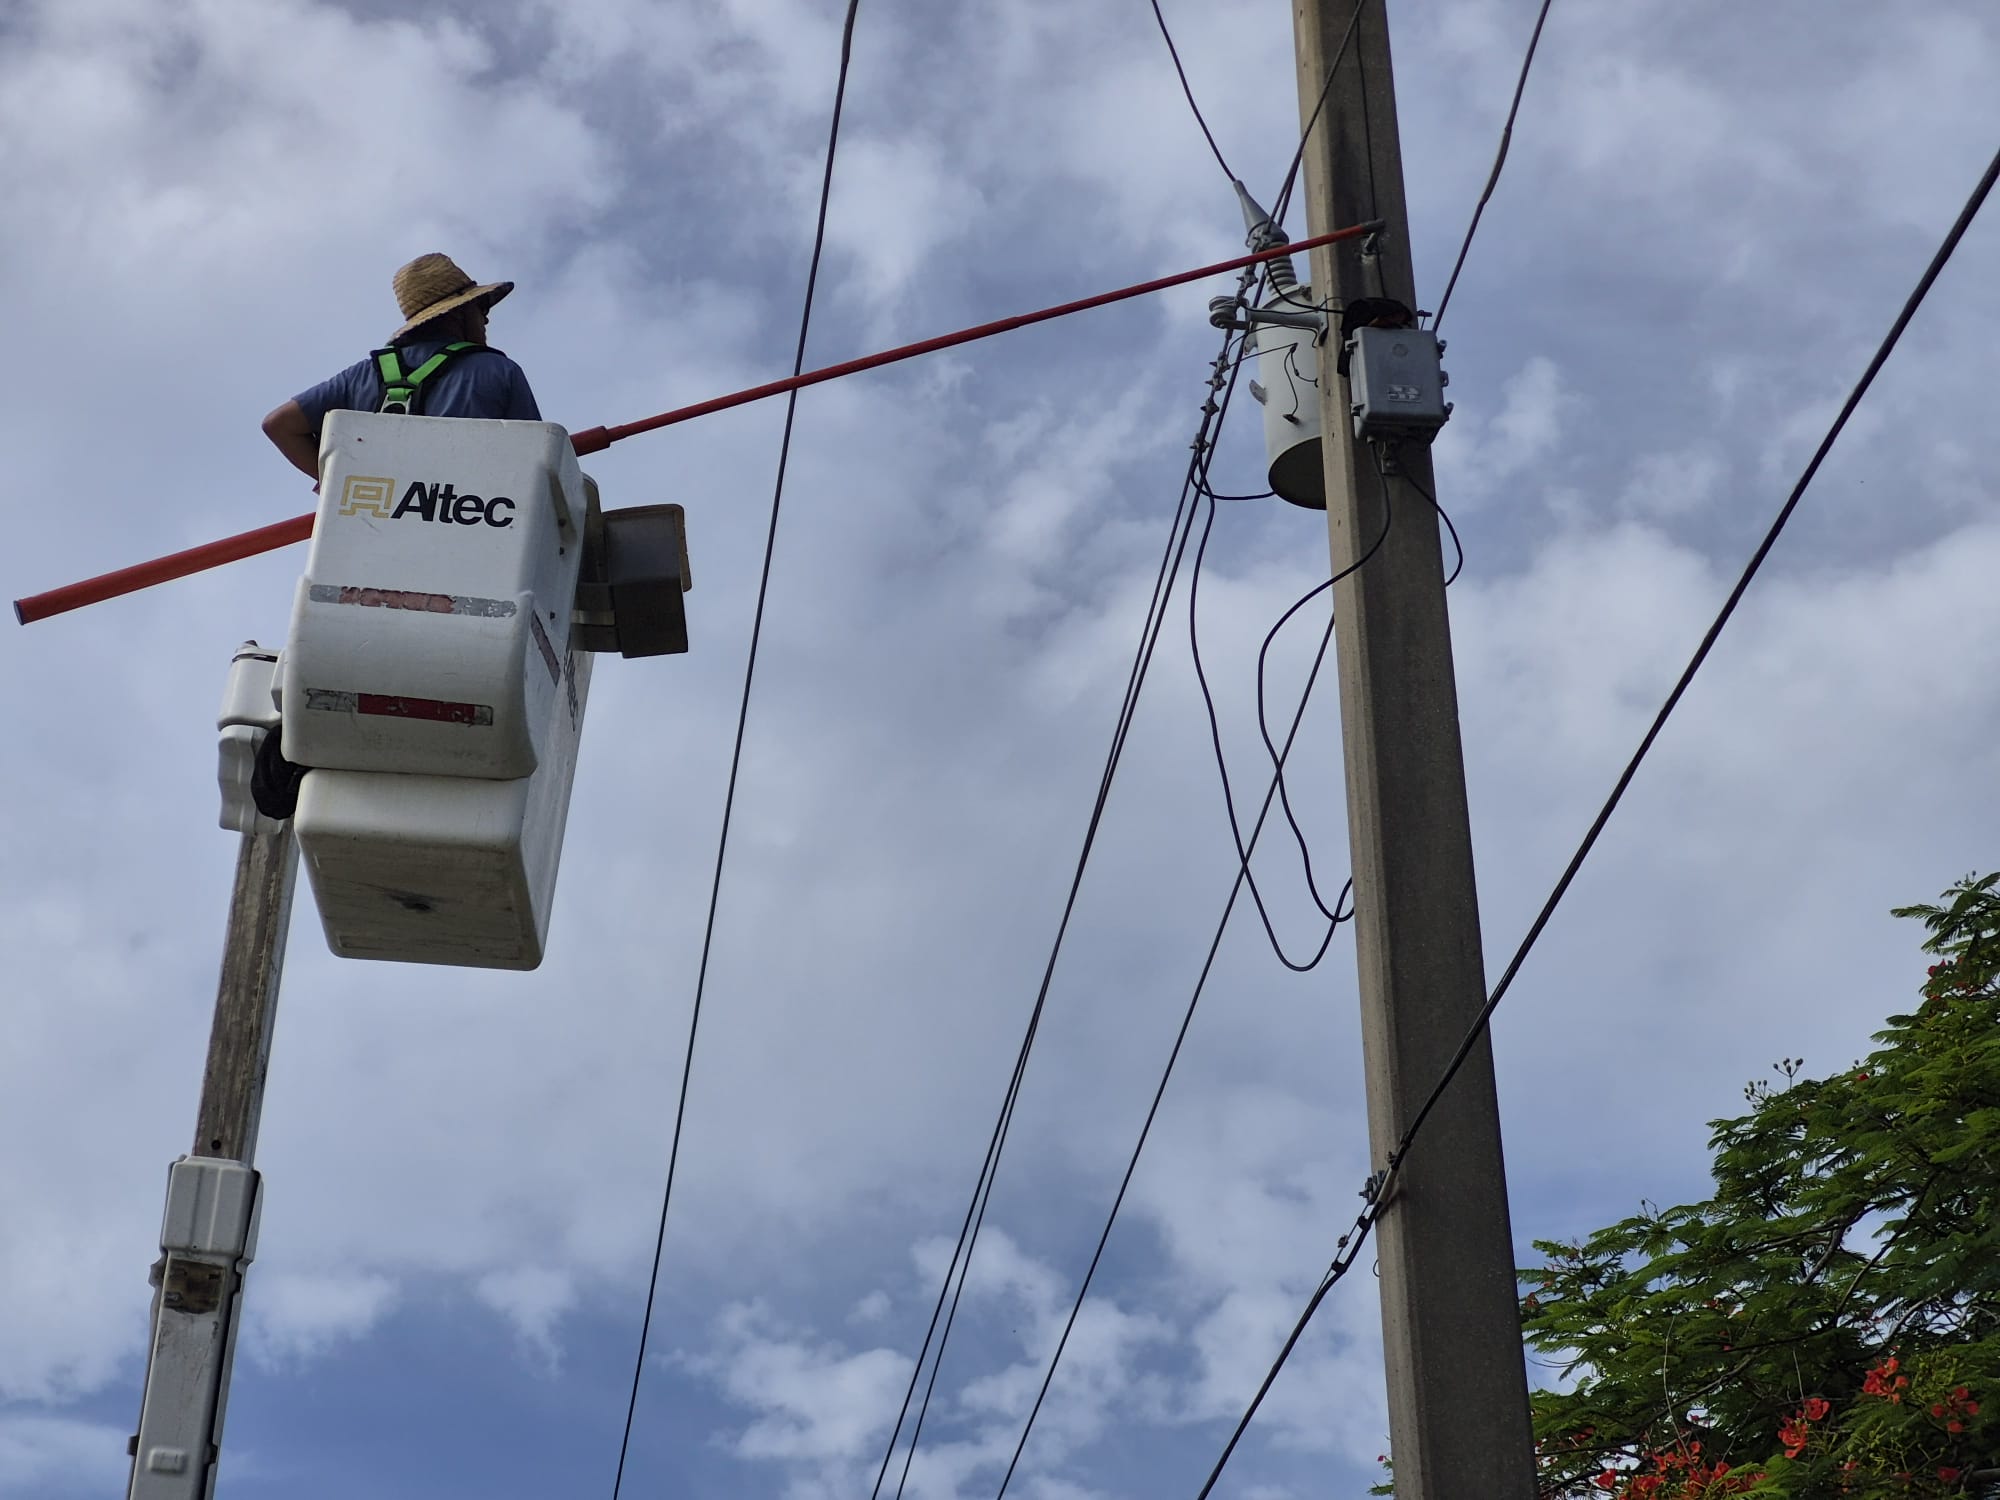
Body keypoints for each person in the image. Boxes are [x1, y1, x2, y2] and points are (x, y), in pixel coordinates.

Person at [261, 253, 543, 478]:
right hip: (476, 530)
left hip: (380, 536)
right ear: (458, 313)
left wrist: (334, 485)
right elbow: (539, 462)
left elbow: (279, 425)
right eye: (481, 309)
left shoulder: (362, 375)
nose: (487, 320)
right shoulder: (499, 371)